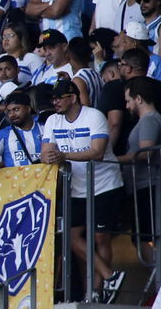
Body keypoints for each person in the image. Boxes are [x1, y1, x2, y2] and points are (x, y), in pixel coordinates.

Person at [41, 78, 126, 302]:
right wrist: (49, 156)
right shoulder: (52, 120)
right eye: (53, 98)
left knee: (100, 238)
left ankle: (97, 292)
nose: (55, 101)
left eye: (59, 97)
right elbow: (45, 153)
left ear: (73, 97)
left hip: (105, 184)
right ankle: (109, 277)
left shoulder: (94, 116)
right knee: (72, 238)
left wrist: (63, 155)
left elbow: (97, 152)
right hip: (76, 188)